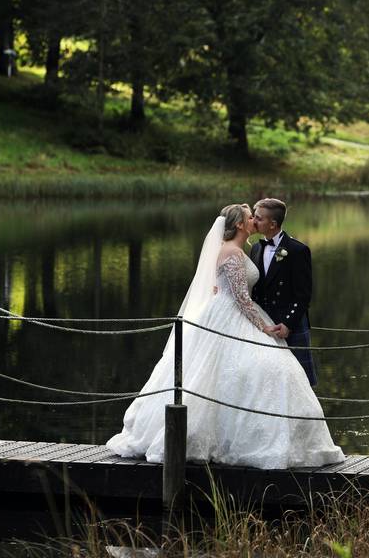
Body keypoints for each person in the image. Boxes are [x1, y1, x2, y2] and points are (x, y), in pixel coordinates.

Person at [105, 203, 344, 470]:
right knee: (242, 372)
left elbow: (258, 292)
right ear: (241, 225)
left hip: (244, 313)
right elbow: (242, 299)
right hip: (233, 316)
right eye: (250, 217)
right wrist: (263, 328)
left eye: (258, 217)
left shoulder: (246, 250)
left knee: (257, 372)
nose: (253, 219)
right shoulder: (234, 252)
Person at [249, 198, 318, 385]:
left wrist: (288, 323)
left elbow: (303, 294)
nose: (253, 221)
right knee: (268, 381)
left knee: (299, 382)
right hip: (265, 324)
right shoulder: (255, 248)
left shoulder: (297, 250)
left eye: (258, 218)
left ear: (273, 224)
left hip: (289, 323)